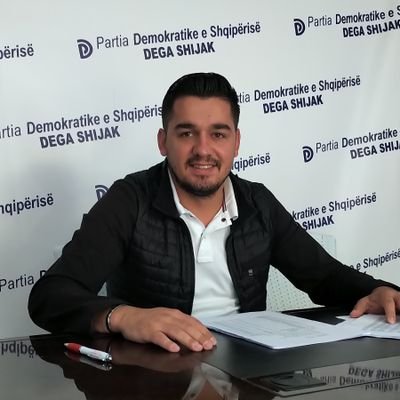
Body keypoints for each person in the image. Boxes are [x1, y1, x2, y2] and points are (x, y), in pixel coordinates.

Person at [28, 72, 400, 353]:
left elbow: (324, 276)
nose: (203, 150)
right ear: (163, 141)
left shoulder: (257, 203)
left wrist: (378, 290)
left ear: (236, 142)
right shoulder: (130, 201)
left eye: (218, 134)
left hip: (246, 373)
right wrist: (124, 316)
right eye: (187, 133)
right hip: (152, 376)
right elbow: (50, 296)